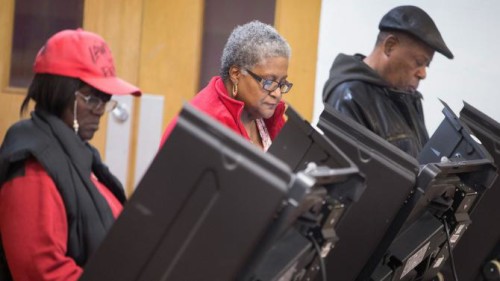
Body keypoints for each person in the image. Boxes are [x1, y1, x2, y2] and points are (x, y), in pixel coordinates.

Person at [0, 29, 141, 280]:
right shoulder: (32, 168)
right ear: (60, 91)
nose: (100, 111)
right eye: (92, 98)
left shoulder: (80, 155)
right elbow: (42, 272)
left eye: (105, 99)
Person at [322, 5, 453, 157]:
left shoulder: (408, 97)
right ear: (390, 47)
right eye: (418, 62)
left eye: (426, 65)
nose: (423, 74)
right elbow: (353, 176)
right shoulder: (348, 96)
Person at [160, 20, 293, 151]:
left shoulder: (265, 114)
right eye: (268, 82)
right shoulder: (201, 128)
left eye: (281, 83)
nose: (277, 94)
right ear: (236, 74)